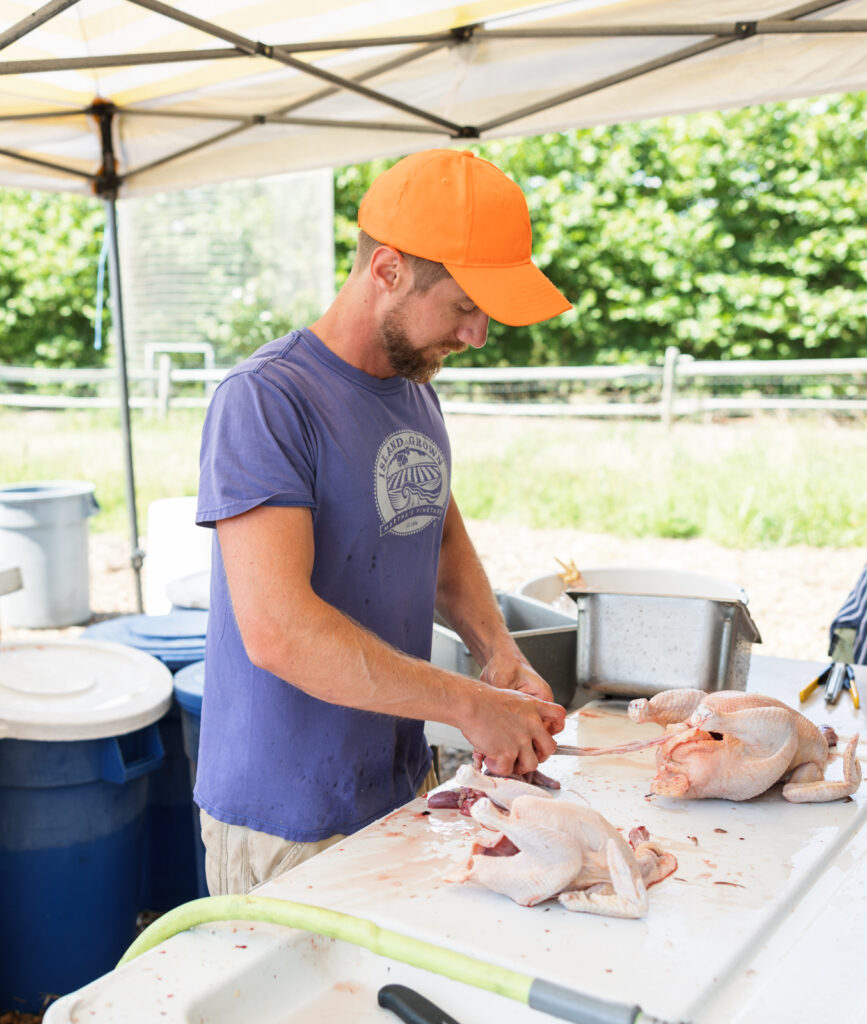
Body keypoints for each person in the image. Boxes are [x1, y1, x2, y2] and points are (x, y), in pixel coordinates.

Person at [194, 147, 573, 896]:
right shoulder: (267, 400)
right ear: (388, 270)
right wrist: (469, 704)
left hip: (393, 787)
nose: (477, 336)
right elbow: (279, 630)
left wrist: (494, 652)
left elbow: (436, 535)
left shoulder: (412, 390)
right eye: (464, 306)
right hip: (288, 816)